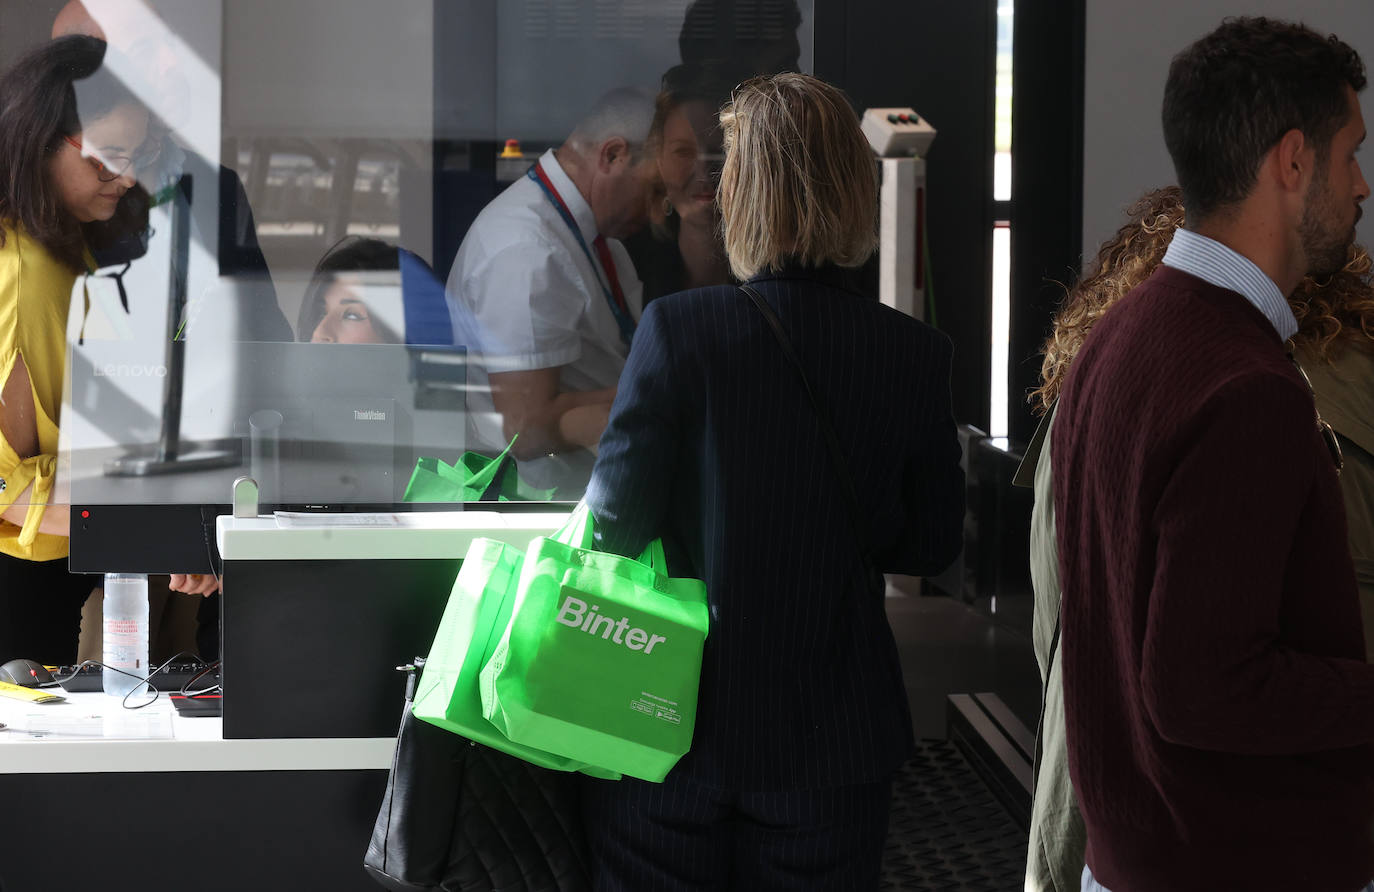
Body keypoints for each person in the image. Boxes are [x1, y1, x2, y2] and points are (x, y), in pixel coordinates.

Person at [580, 72, 964, 890]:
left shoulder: (680, 331)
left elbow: (611, 526)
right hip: (836, 736)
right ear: (856, 193)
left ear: (740, 196)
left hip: (669, 720)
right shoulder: (914, 354)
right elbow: (929, 543)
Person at [1050, 18, 1374, 892]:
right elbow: (1202, 688)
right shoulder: (1246, 386)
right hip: (1238, 864)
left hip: (1135, 860)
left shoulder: (1117, 338)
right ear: (1293, 161)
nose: (1362, 186)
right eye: (1350, 154)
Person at [0, 36, 153, 664]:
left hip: (46, 570)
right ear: (39, 141)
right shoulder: (24, 269)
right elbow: (6, 486)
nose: (128, 176)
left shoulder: (63, 247)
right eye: (108, 156)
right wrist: (165, 535)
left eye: (140, 155)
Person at [446, 88, 656, 495]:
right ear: (613, 156)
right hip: (541, 515)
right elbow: (523, 429)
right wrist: (648, 402)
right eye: (653, 191)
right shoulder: (524, 249)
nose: (655, 213)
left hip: (583, 497)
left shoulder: (598, 241)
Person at [624, 62, 735, 305]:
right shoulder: (628, 269)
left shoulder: (776, 275)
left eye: (720, 151)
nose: (704, 171)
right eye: (684, 152)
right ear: (659, 161)